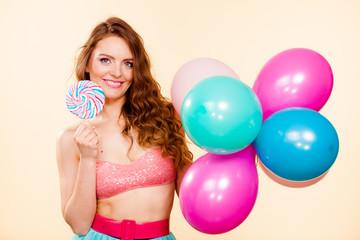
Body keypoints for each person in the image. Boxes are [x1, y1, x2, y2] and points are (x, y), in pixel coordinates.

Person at [56, 17, 193, 240]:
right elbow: (79, 226)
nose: (117, 73)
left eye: (128, 63)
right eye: (105, 60)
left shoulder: (166, 119)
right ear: (88, 63)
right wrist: (88, 158)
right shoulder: (71, 139)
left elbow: (193, 199)